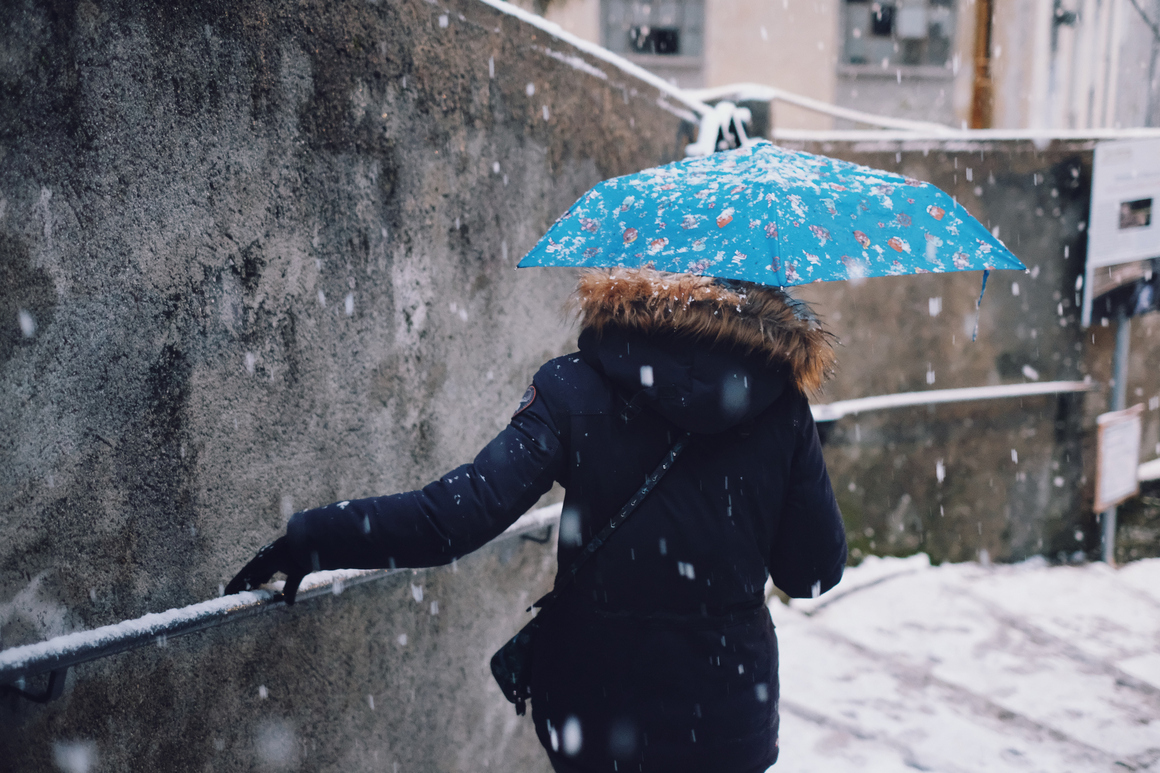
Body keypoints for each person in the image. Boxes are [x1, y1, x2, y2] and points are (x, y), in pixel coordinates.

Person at [226, 267, 847, 773]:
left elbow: (452, 520)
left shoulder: (577, 384)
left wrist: (313, 537)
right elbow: (813, 573)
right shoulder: (779, 406)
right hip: (725, 714)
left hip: (596, 706)